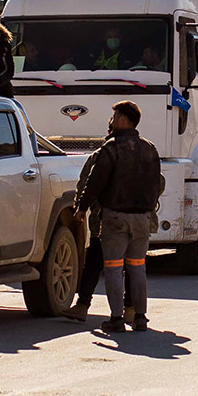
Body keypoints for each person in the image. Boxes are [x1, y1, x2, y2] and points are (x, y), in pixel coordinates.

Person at [75, 101, 161, 333]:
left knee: (113, 268)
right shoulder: (150, 148)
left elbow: (94, 182)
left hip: (115, 218)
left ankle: (116, 318)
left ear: (122, 120)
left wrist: (81, 207)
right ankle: (140, 317)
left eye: (114, 117)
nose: (111, 121)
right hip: (142, 218)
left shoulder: (110, 149)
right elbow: (157, 183)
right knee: (137, 267)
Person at [62, 147, 133, 323]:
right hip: (136, 219)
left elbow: (86, 184)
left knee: (94, 261)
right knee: (133, 265)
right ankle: (131, 310)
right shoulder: (144, 150)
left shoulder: (101, 154)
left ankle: (83, 305)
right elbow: (158, 182)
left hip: (105, 219)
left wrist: (82, 207)